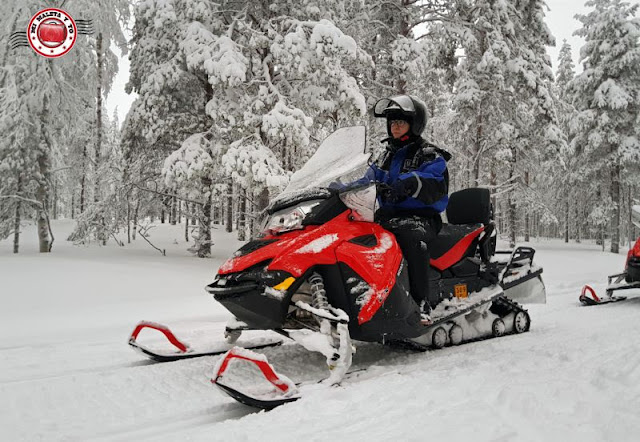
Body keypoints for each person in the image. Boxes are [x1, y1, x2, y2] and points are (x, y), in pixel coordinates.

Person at [362, 95, 451, 317]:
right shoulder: (385, 157)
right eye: (392, 123)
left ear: (414, 124)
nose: (395, 127)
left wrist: (411, 183)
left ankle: (420, 304)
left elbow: (436, 183)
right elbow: (366, 180)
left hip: (421, 218)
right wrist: (338, 189)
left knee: (411, 238)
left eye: (400, 122)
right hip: (388, 216)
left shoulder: (429, 154)